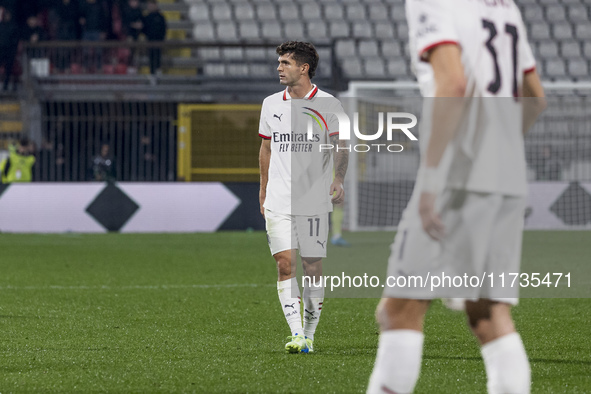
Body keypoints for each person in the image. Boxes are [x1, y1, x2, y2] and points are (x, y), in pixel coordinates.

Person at [367, 1, 546, 393]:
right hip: (508, 174)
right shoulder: (505, 6)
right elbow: (535, 96)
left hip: (458, 173)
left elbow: (453, 84)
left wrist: (432, 180)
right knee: (488, 315)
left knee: (398, 310)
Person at [258, 41, 348, 354]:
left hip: (313, 199)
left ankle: (309, 334)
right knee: (285, 265)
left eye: (285, 63)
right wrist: (262, 188)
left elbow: (342, 146)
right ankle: (296, 334)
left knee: (312, 267)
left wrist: (338, 178)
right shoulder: (270, 104)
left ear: (303, 68)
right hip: (278, 199)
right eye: (279, 62)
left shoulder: (329, 104)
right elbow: (266, 148)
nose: (279, 68)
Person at [142, 0, 166, 75]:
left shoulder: (161, 17)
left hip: (158, 41)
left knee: (158, 58)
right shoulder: (146, 17)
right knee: (151, 58)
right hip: (150, 41)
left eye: (152, 5)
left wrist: (162, 39)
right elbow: (144, 30)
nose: (151, 7)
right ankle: (152, 74)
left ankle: (158, 74)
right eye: (150, 5)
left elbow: (163, 29)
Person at [0, 8, 20, 91]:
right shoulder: (1, 25)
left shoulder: (14, 26)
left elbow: (16, 39)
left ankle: (6, 85)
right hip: (1, 50)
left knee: (9, 70)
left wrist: (13, 49)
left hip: (10, 51)